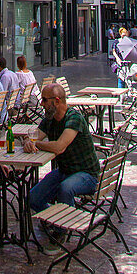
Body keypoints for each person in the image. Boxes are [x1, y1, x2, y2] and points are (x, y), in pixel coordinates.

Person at [26, 83, 100, 248]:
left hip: (86, 174)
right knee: (33, 198)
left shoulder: (74, 119)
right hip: (65, 171)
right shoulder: (49, 120)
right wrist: (28, 142)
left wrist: (36, 144)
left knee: (65, 189)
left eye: (45, 100)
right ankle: (53, 220)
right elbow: (33, 136)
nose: (42, 104)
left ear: (57, 101)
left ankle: (61, 230)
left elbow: (59, 147)